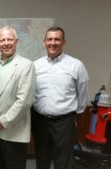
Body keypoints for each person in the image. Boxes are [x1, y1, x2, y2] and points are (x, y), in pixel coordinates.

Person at [32, 26, 90, 169]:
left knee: (63, 162)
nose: (53, 42)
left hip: (64, 122)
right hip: (40, 121)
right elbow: (31, 92)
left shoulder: (76, 65)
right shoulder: (35, 65)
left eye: (57, 39)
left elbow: (83, 95)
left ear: (64, 42)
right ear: (44, 42)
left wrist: (73, 115)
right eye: (49, 39)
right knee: (41, 160)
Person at [0, 26, 36, 169]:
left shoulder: (26, 65)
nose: (6, 43)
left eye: (9, 39)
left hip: (14, 131)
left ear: (16, 41)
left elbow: (24, 101)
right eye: (2, 40)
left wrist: (2, 121)